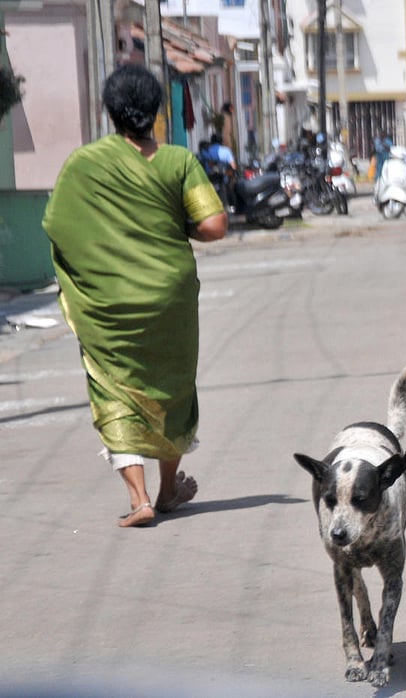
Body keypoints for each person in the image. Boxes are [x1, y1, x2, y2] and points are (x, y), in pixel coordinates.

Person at [42, 64, 227, 528]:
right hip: (171, 298)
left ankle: (140, 498)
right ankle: (168, 491)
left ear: (111, 113)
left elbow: (59, 227)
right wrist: (171, 229)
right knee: (172, 388)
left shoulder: (84, 164)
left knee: (113, 388)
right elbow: (213, 225)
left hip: (109, 303)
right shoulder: (178, 161)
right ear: (156, 112)